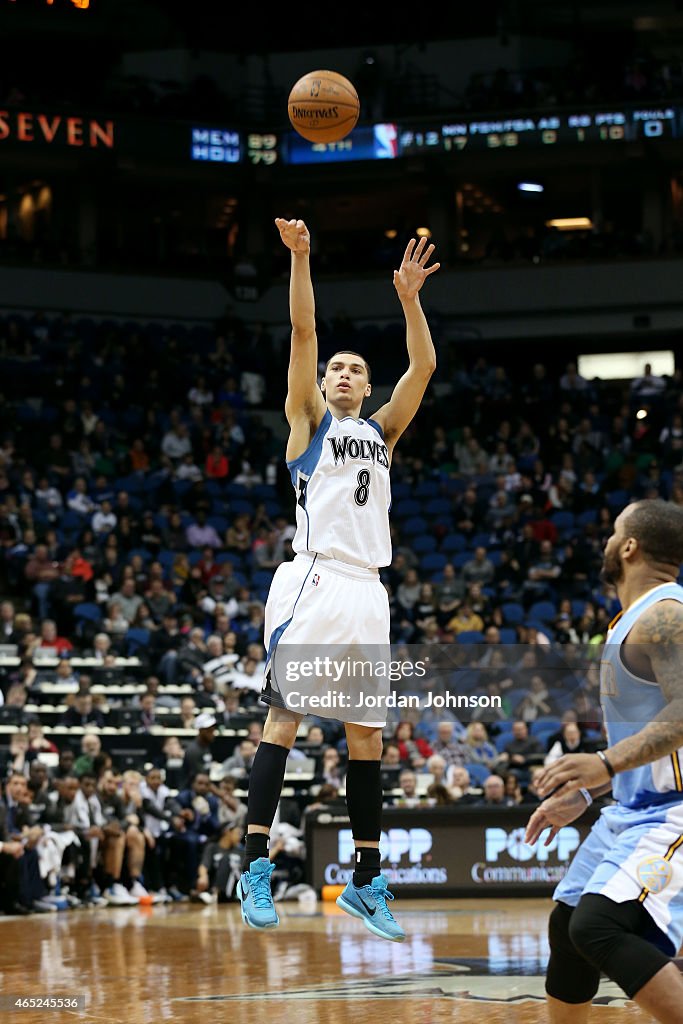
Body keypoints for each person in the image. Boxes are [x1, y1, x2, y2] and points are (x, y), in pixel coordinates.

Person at [238, 217, 439, 941]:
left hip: (367, 591)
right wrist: (301, 258)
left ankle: (364, 881)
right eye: (336, 369)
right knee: (285, 720)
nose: (344, 373)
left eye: (355, 368)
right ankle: (253, 862)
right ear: (322, 386)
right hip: (315, 579)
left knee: (365, 739)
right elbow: (301, 332)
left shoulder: (381, 432)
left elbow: (421, 371)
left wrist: (409, 300)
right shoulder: (308, 422)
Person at [525, 499, 683, 1022]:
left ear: (630, 547)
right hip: (632, 811)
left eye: (615, 531)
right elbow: (650, 733)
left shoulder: (665, 613)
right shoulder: (630, 621)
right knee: (567, 926)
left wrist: (605, 765)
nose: (608, 541)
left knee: (598, 926)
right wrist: (590, 791)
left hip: (674, 812)